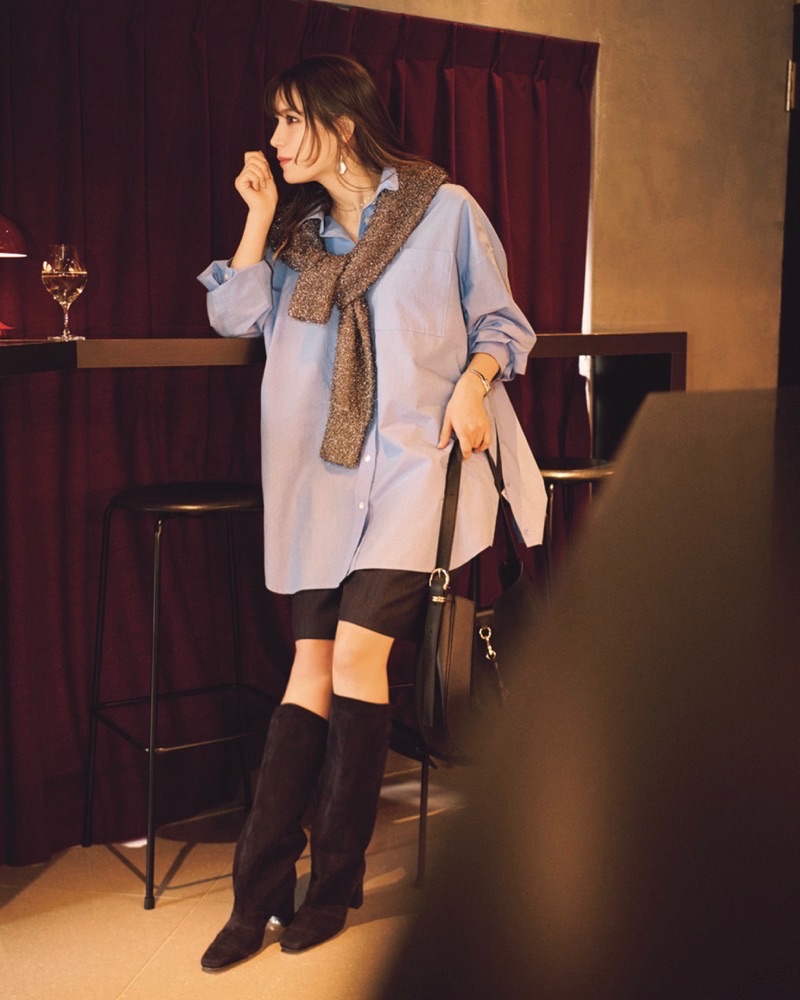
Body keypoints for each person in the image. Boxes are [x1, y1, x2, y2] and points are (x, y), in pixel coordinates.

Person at [197, 53, 547, 971]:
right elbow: (235, 317)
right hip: (321, 485)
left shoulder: (444, 211)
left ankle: (333, 885)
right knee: (310, 669)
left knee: (355, 658)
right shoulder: (298, 243)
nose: (275, 139)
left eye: (289, 120)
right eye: (274, 121)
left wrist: (474, 382)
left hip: (413, 473)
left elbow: (503, 323)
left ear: (341, 125)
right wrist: (259, 215)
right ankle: (258, 896)